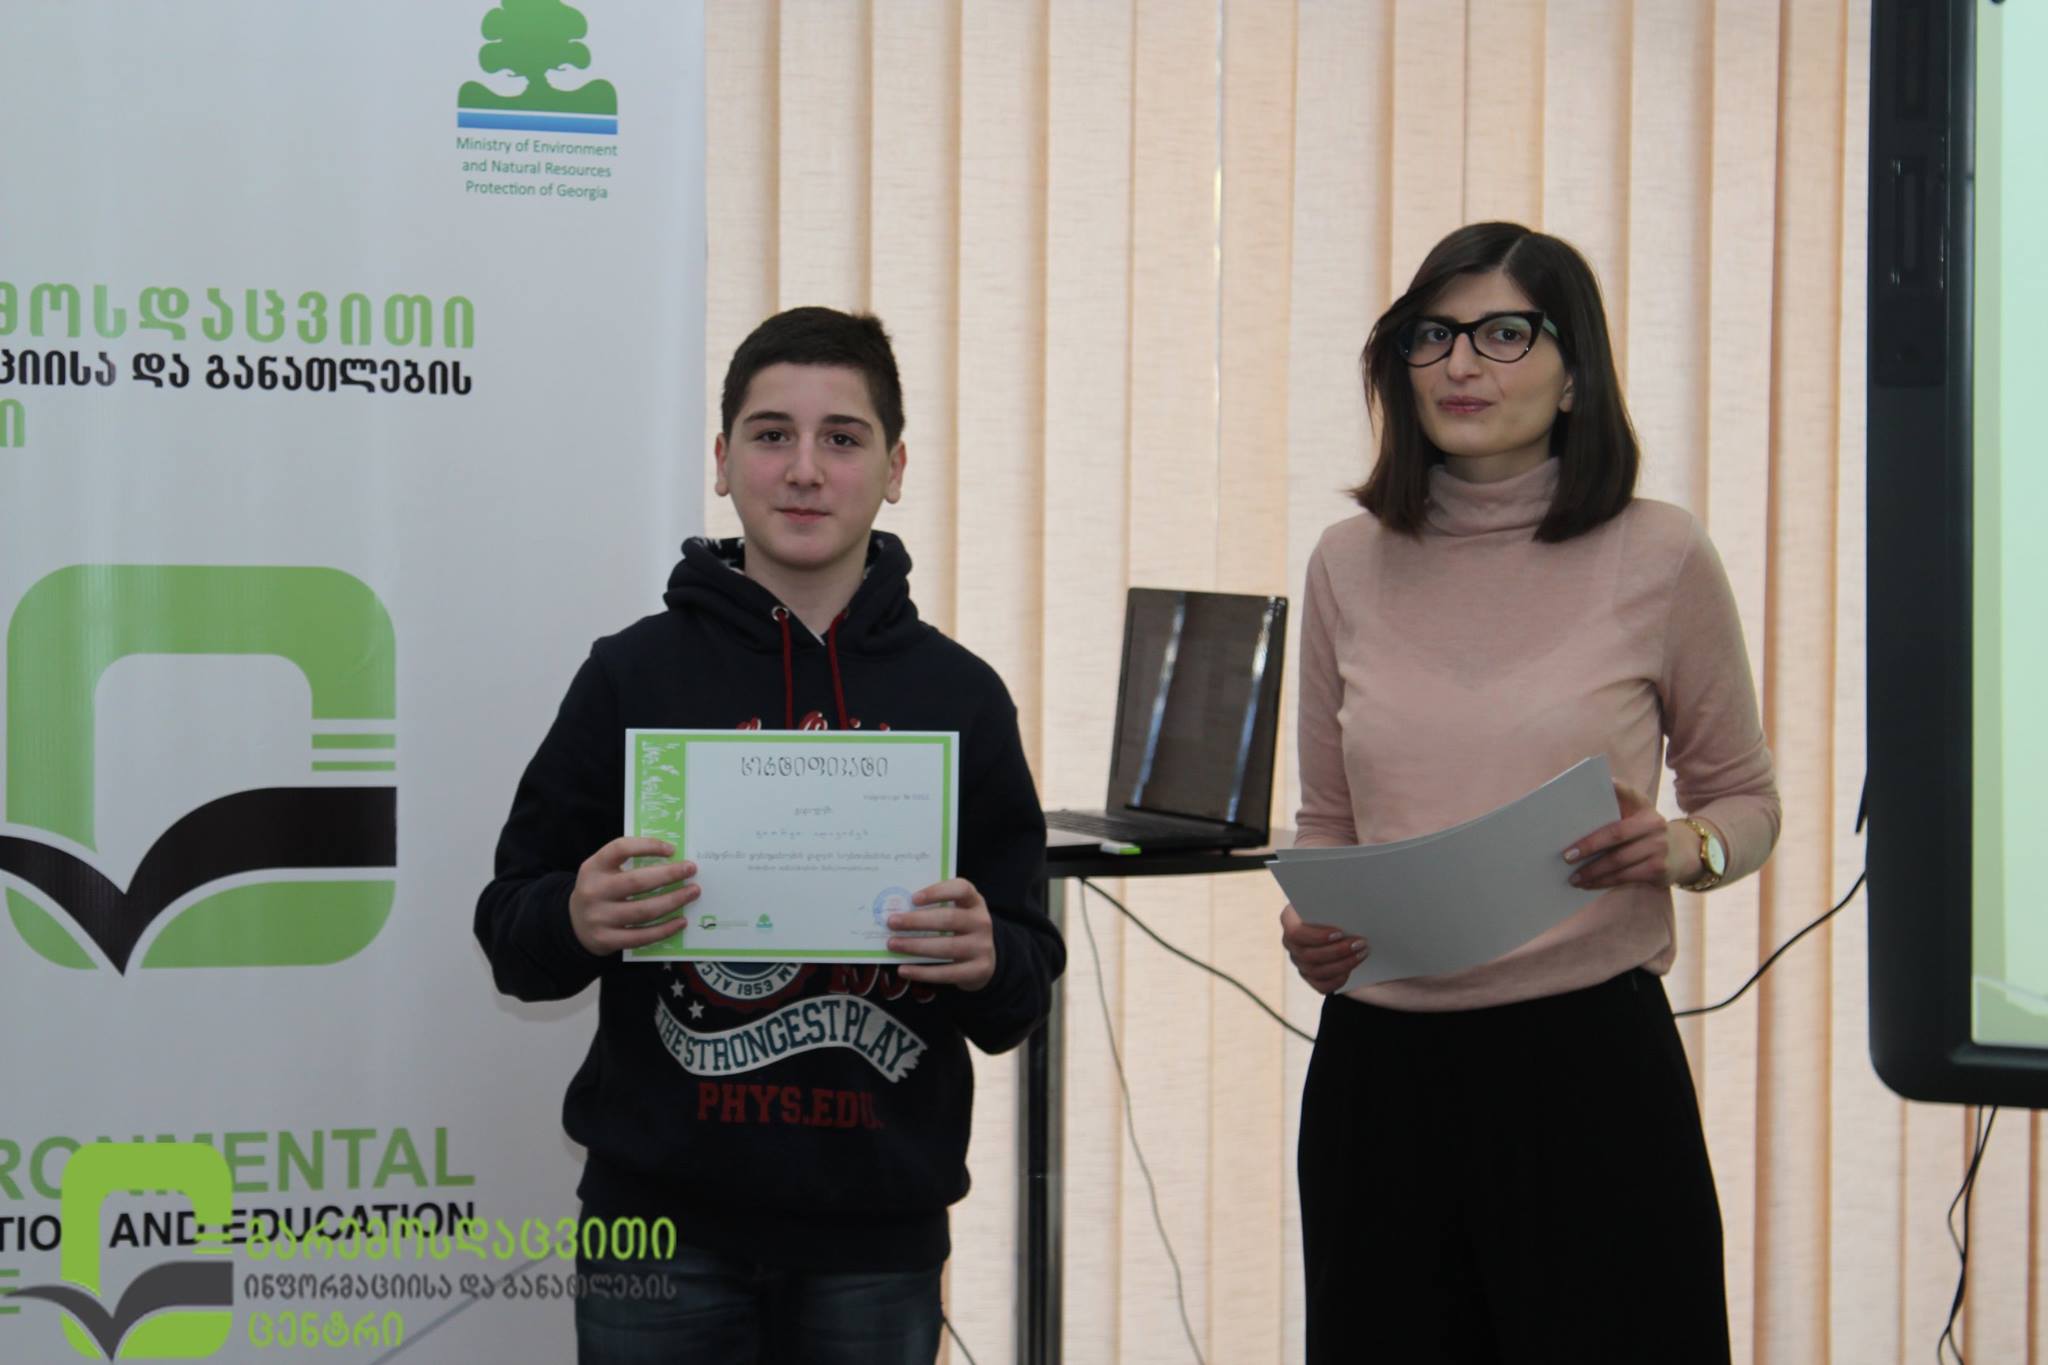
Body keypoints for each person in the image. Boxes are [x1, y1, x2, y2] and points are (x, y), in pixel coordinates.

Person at [475, 306, 1064, 1365]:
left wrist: (988, 956)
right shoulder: (631, 676)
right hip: (656, 1224)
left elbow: (1021, 984)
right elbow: (512, 935)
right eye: (770, 434)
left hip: (876, 1235)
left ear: (894, 468)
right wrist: (575, 915)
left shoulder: (960, 698)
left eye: (841, 438)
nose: (803, 469)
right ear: (721, 459)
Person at [1280, 222, 1780, 1364]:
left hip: (1587, 1069)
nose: (1460, 364)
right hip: (1381, 1080)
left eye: (1503, 334)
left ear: (1573, 374)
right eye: (1432, 336)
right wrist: (1313, 928)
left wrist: (1684, 849)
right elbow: (1327, 823)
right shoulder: (1345, 561)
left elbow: (1744, 801)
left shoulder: (1660, 553)